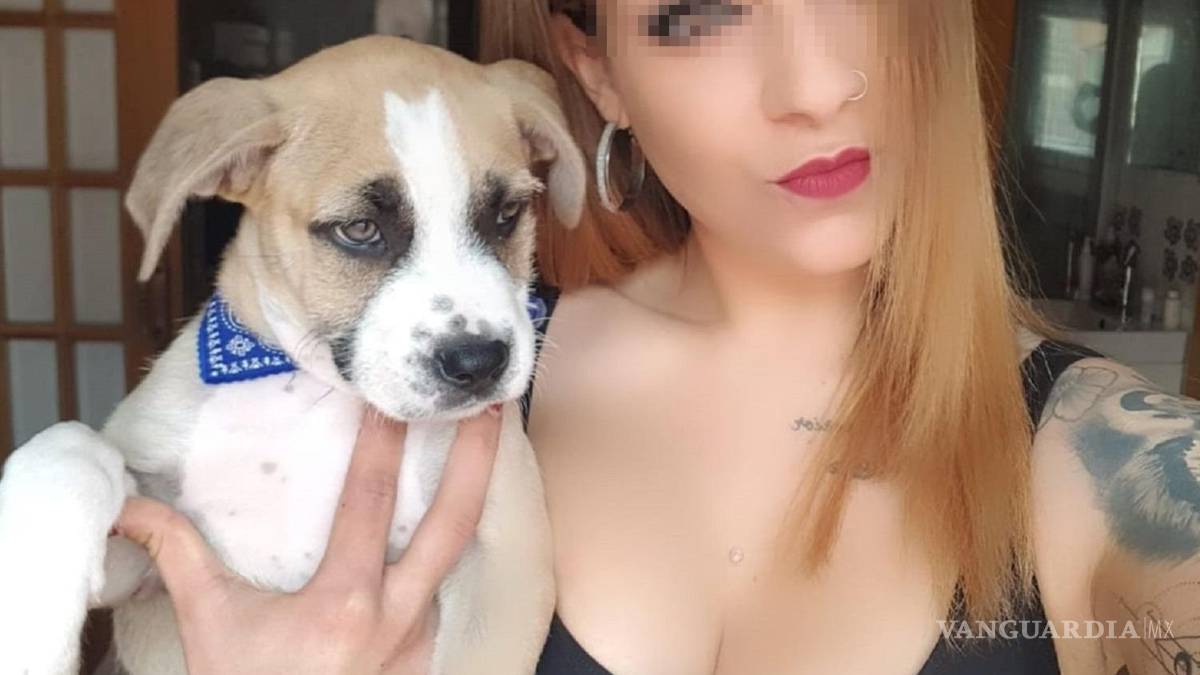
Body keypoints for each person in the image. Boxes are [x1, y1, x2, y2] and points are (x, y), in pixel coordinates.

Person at [118, 1, 1200, 673]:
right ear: (596, 73)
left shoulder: (1114, 457)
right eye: (700, 10)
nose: (817, 87)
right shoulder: (442, 373)